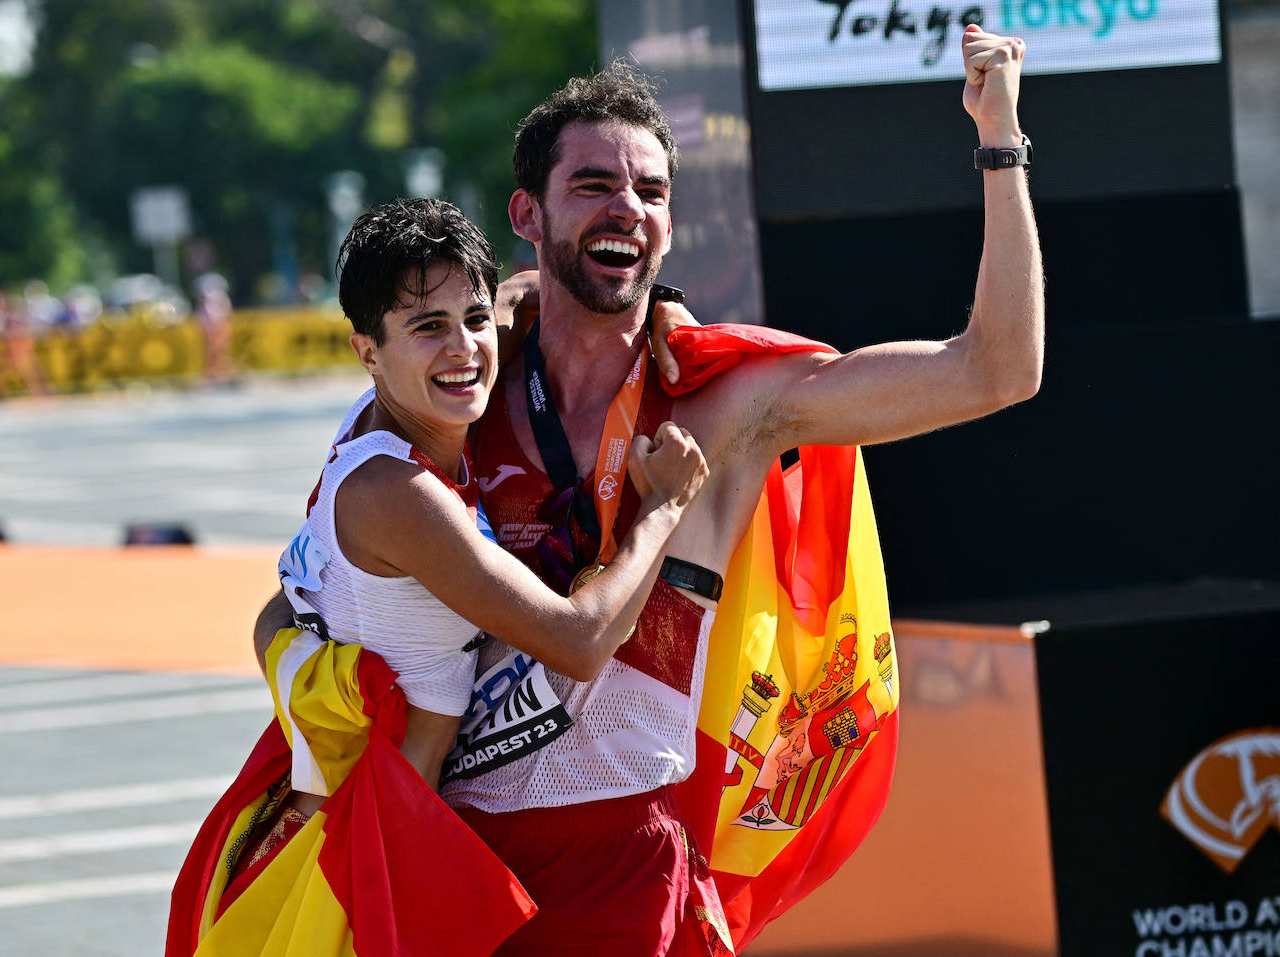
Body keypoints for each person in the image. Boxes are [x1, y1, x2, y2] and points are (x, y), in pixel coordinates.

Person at [257, 23, 1042, 956]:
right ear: (528, 215)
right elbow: (296, 599)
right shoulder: (461, 384)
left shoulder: (729, 404)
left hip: (629, 878)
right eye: (592, 185)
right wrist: (330, 700)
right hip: (453, 863)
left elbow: (997, 369)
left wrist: (1001, 141)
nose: (626, 206)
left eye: (651, 191)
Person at [168, 198, 710, 957]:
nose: (464, 348)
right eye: (428, 328)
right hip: (351, 869)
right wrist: (667, 508)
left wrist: (655, 304)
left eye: (473, 319)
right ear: (367, 352)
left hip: (365, 826)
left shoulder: (388, 421)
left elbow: (523, 293)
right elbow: (579, 640)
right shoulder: (400, 493)